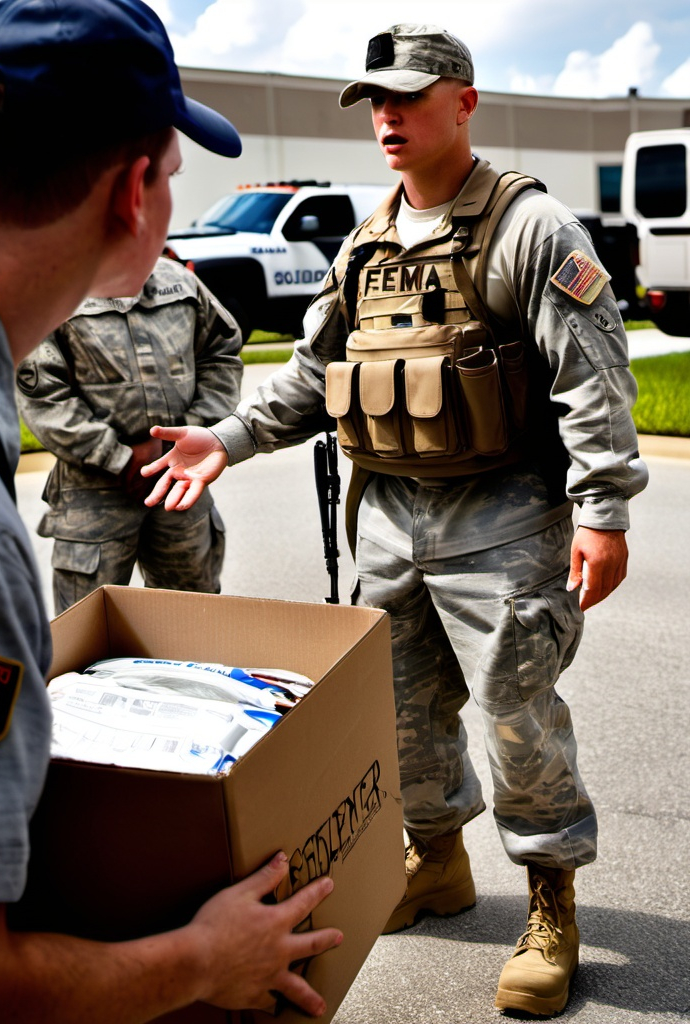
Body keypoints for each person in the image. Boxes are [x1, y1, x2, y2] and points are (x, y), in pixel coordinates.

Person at [141, 23, 648, 1019]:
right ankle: (440, 862)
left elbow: (593, 381)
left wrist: (601, 513)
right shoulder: (366, 243)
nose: (386, 115)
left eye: (408, 96)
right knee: (398, 718)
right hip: (387, 524)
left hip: (501, 529)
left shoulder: (529, 229)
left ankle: (551, 904)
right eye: (374, 99)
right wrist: (227, 439)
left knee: (517, 722)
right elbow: (312, 376)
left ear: (463, 102)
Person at [0, 0, 342, 1020]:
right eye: (177, 176)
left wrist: (202, 426)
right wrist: (196, 964)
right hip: (102, 497)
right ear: (137, 190)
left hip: (172, 492)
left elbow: (226, 350)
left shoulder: (179, 292)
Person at [16, 255, 243, 614]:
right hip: (94, 494)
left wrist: (186, 436)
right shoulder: (49, 288)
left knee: (194, 622)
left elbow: (221, 352)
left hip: (178, 484)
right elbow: (43, 395)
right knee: (87, 632)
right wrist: (118, 458)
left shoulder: (178, 281)